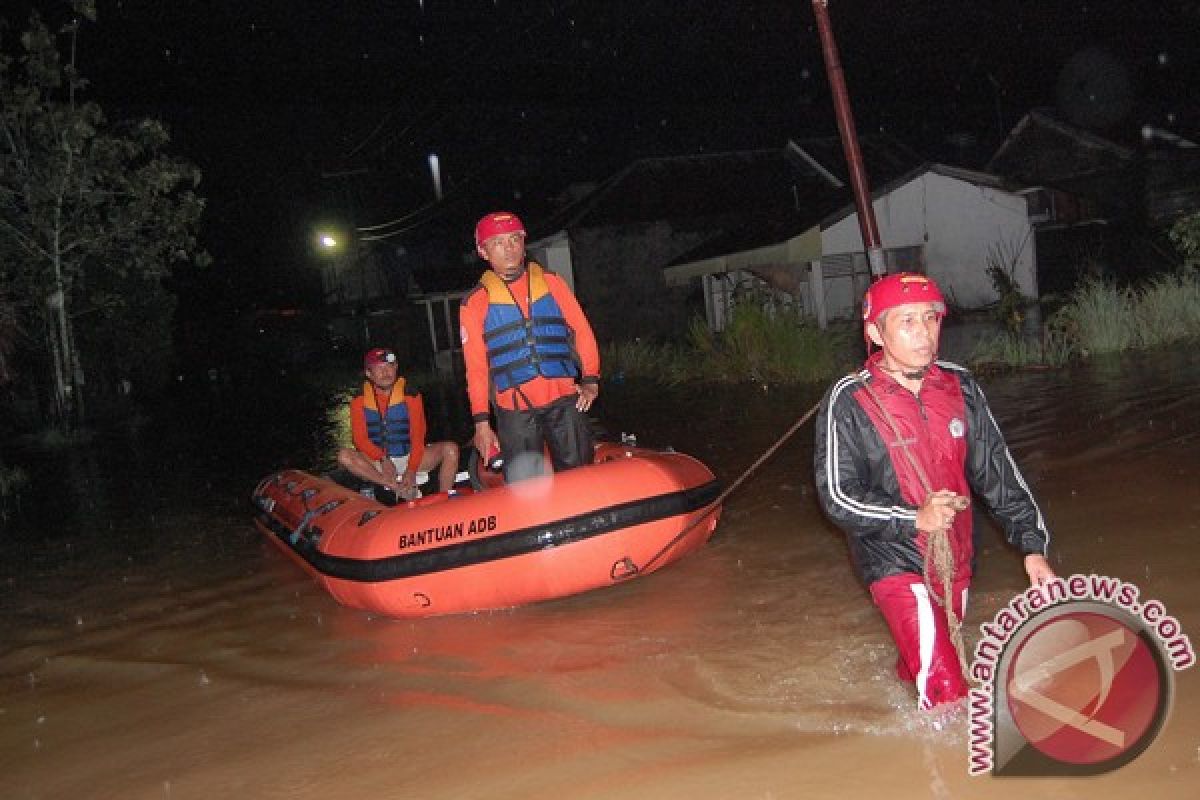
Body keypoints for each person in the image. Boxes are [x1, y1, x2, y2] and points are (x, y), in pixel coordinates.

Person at [814, 272, 1055, 710]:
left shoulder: (960, 385)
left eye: (931, 318)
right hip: (892, 555)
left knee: (928, 656)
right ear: (875, 332)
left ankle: (901, 694)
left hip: (953, 550)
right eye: (906, 321)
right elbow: (837, 495)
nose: (924, 333)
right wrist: (913, 517)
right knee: (948, 689)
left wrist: (1032, 547)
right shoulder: (848, 400)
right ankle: (952, 770)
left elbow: (997, 472)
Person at [460, 211, 600, 483]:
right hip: (514, 408)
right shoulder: (474, 302)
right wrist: (481, 423)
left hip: (564, 398)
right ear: (483, 251)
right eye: (498, 243)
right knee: (526, 487)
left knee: (580, 477)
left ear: (524, 243)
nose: (509, 249)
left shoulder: (552, 283)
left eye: (514, 239)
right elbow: (476, 368)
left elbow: (582, 331)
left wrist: (591, 379)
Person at [338, 347, 459, 500]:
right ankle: (392, 485)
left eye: (389, 366)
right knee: (344, 456)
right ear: (369, 374)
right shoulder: (359, 400)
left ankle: (444, 500)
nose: (385, 372)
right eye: (379, 368)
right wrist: (383, 459)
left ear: (396, 367)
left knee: (451, 449)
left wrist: (411, 470)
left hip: (407, 455)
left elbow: (418, 437)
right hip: (377, 460)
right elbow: (360, 439)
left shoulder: (411, 394)